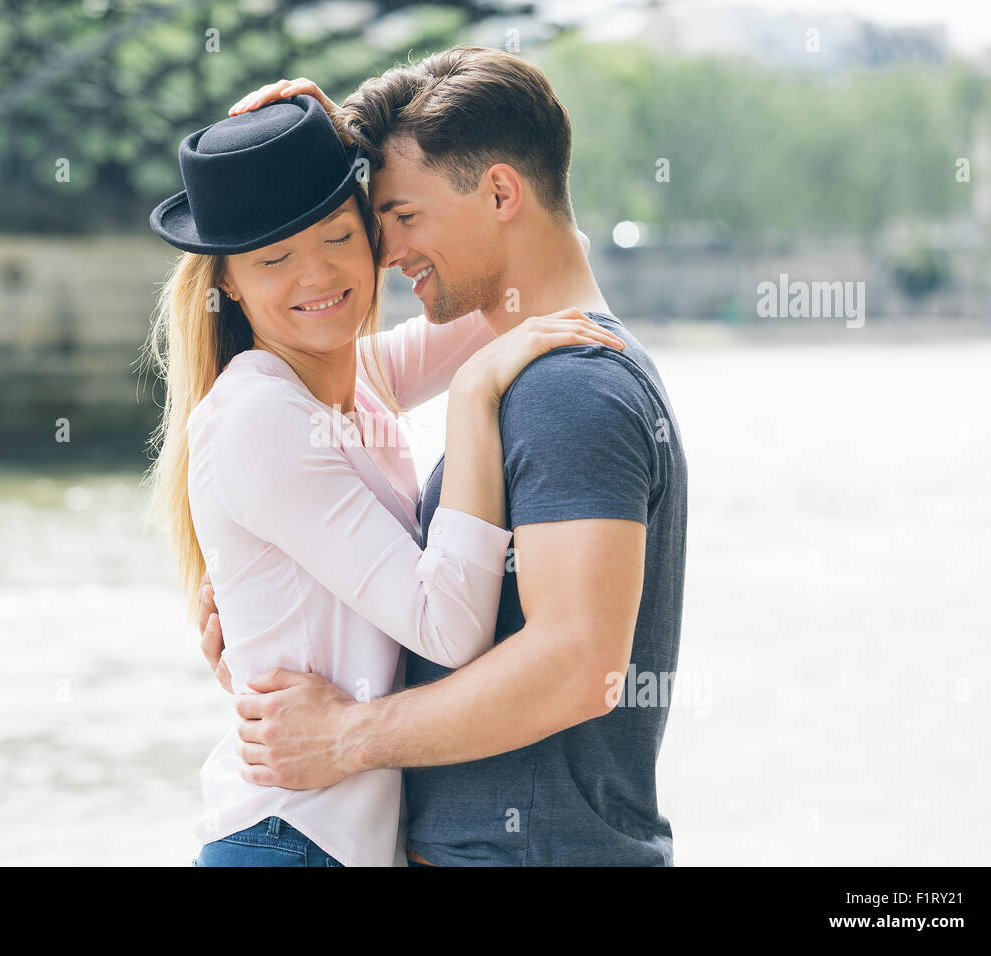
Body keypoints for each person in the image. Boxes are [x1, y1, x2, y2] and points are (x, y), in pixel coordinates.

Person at [198, 46, 689, 866]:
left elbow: (577, 666)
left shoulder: (565, 388)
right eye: (272, 255)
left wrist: (349, 734)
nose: (386, 253)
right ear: (234, 283)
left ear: (499, 191)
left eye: (398, 218)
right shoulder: (505, 362)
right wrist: (301, 147)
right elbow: (529, 262)